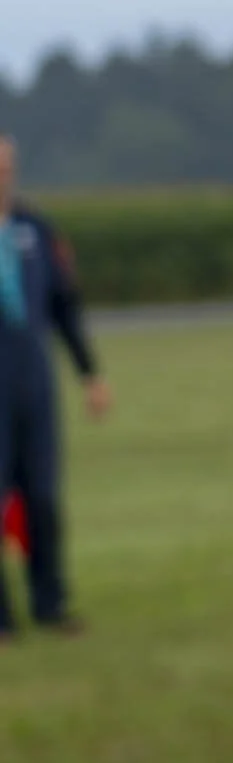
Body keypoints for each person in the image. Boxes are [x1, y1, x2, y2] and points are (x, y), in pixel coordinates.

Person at [0, 135, 111, 641]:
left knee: (42, 498)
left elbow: (66, 308)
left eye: (7, 167)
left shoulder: (36, 230)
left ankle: (51, 605)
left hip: (34, 387)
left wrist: (90, 374)